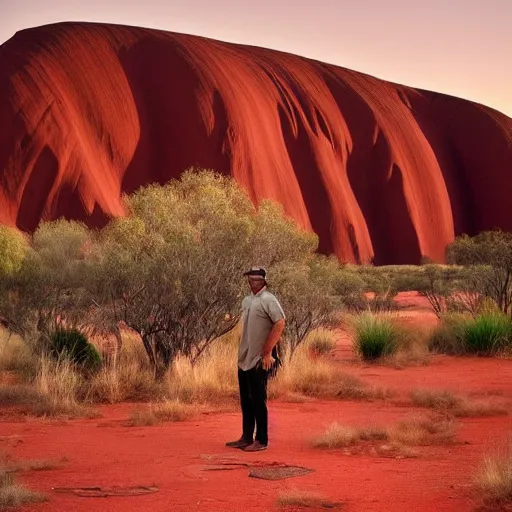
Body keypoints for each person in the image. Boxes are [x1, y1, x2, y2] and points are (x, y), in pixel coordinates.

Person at [226, 266, 286, 452]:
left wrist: (267, 352)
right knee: (246, 399)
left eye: (257, 279)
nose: (254, 282)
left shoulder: (269, 299)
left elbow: (280, 322)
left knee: (258, 399)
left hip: (260, 358)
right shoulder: (248, 301)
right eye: (251, 279)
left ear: (264, 280)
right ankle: (246, 437)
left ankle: (261, 440)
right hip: (245, 357)